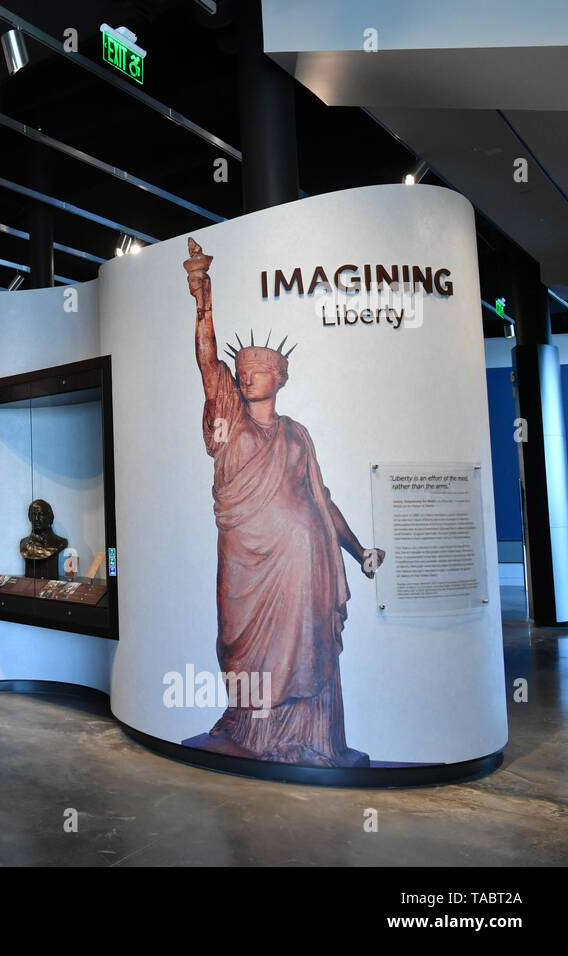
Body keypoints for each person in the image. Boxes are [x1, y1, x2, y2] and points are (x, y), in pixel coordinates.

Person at [185, 237, 384, 768]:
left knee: (305, 654)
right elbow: (208, 360)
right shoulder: (229, 417)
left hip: (303, 563)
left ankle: (306, 739)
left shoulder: (297, 434)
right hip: (247, 562)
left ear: (280, 377)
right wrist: (202, 296)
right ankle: (250, 730)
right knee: (241, 644)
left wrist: (359, 550)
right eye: (242, 367)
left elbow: (322, 501)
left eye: (257, 368)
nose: (245, 374)